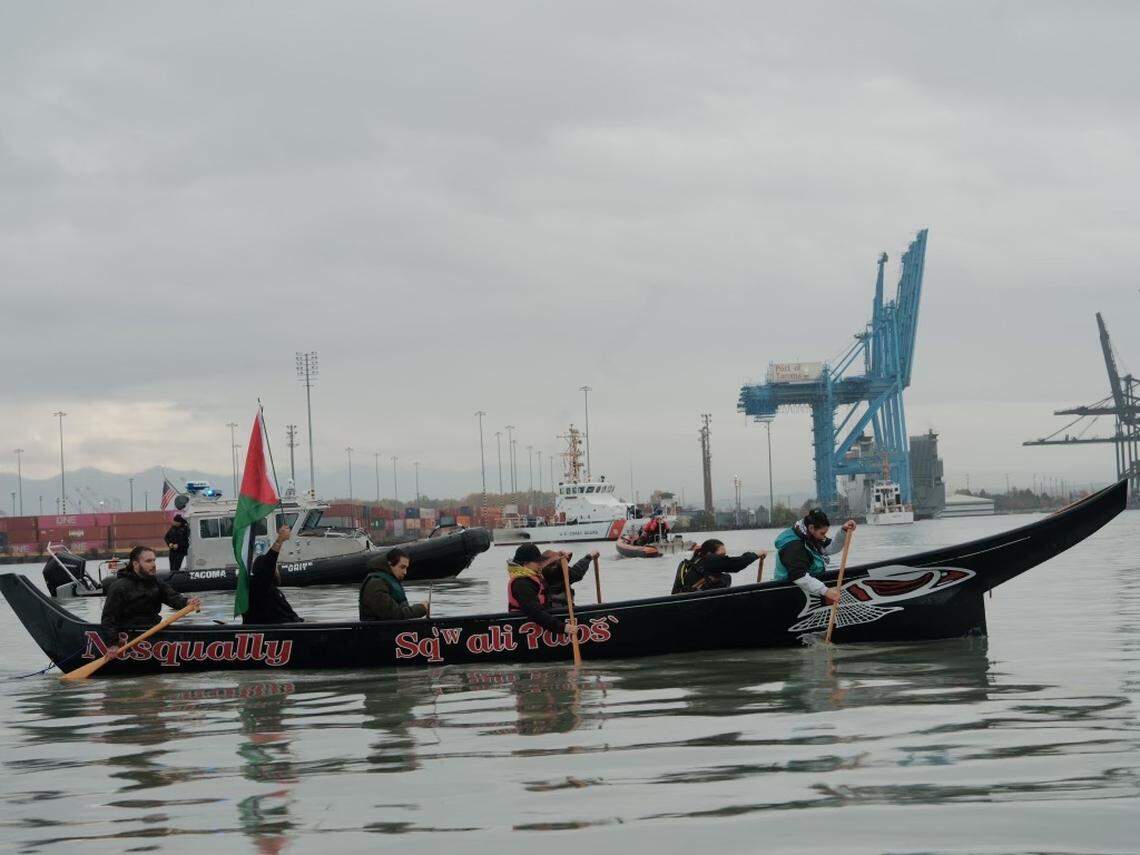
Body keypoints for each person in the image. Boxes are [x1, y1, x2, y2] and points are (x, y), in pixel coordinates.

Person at [101, 546, 202, 651]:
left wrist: (187, 602)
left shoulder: (156, 582)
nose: (153, 565)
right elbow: (108, 618)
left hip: (154, 630)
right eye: (148, 561)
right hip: (130, 634)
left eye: (154, 560)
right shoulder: (119, 587)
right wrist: (112, 644)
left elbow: (173, 598)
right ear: (135, 564)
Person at [772, 508, 856, 606]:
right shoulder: (794, 546)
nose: (824, 537)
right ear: (811, 528)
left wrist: (843, 531)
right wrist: (826, 591)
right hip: (787, 592)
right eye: (822, 533)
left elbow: (830, 548)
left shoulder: (810, 534)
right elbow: (799, 577)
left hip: (809, 583)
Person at [243, 525, 303, 624]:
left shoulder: (272, 591)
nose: (276, 569)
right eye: (274, 566)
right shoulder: (258, 587)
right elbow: (269, 562)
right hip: (270, 629)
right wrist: (280, 540)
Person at [506, 543, 571, 634]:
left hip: (541, 625)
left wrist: (557, 556)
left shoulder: (530, 574)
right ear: (525, 563)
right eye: (537, 561)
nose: (540, 564)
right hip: (524, 629)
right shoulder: (521, 583)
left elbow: (545, 564)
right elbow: (535, 612)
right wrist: (562, 627)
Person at [359, 548, 429, 621]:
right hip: (378, 628)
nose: (405, 572)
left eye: (406, 568)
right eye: (402, 567)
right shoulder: (375, 584)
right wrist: (421, 608)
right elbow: (393, 614)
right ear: (390, 564)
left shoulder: (390, 582)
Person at [671, 539, 762, 594]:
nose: (724, 558)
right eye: (722, 555)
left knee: (723, 577)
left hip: (682, 603)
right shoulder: (709, 560)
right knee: (725, 578)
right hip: (694, 606)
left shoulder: (690, 563)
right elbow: (737, 564)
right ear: (709, 553)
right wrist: (757, 554)